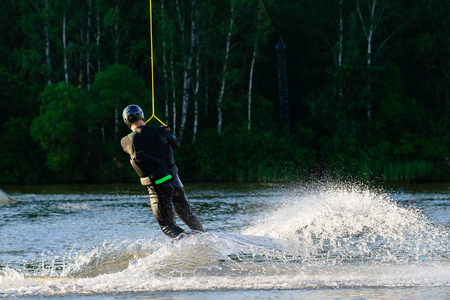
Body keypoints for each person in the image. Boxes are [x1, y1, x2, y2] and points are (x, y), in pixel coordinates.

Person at [120, 104, 204, 238]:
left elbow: (137, 140)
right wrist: (166, 132)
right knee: (187, 215)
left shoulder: (126, 141)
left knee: (167, 226)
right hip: (175, 182)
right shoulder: (160, 131)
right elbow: (175, 144)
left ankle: (190, 241)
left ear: (126, 121)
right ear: (142, 115)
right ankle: (204, 237)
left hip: (158, 188)